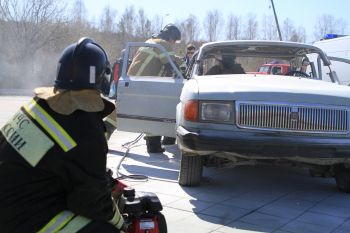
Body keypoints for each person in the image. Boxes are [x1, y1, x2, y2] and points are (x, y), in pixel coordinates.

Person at [0, 37, 125, 233]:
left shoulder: (36, 105)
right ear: (101, 77)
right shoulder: (86, 126)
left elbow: (55, 161)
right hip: (20, 221)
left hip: (11, 205)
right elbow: (91, 203)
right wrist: (121, 224)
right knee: (105, 229)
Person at [128, 24, 182, 153]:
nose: (174, 44)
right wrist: (183, 75)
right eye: (174, 40)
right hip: (145, 83)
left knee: (118, 114)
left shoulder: (150, 42)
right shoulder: (164, 44)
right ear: (171, 37)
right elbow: (172, 67)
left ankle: (101, 137)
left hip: (131, 81)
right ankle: (153, 146)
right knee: (155, 111)